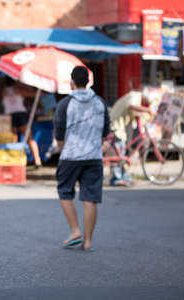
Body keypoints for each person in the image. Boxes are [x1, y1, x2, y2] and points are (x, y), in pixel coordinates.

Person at [54, 66, 110, 252]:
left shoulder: (65, 104)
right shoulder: (100, 103)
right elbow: (104, 133)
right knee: (90, 198)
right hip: (94, 156)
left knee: (65, 192)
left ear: (71, 82)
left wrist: (63, 151)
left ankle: (75, 230)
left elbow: (59, 134)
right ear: (88, 81)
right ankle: (87, 242)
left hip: (70, 155)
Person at [109, 91, 154, 186]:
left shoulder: (136, 99)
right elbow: (130, 105)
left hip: (120, 127)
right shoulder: (135, 96)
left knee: (122, 153)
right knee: (119, 153)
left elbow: (135, 114)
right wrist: (147, 110)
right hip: (115, 125)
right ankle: (116, 179)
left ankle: (125, 177)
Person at [2, 82, 42, 168]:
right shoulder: (18, 89)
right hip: (20, 115)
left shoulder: (3, 91)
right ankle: (37, 160)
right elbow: (31, 94)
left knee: (13, 139)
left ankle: (15, 161)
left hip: (11, 115)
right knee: (29, 138)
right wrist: (41, 93)